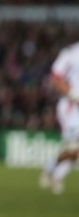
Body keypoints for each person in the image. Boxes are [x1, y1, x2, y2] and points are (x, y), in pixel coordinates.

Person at [40, 41, 79, 194]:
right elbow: (55, 78)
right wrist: (74, 95)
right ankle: (52, 175)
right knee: (73, 148)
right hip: (71, 108)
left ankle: (51, 173)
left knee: (74, 150)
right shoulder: (71, 53)